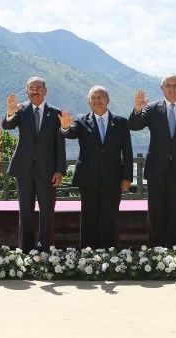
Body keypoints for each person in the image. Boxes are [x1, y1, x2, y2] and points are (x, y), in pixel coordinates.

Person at [128, 74, 176, 247]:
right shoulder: (152, 108)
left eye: (175, 85)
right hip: (156, 170)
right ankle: (156, 252)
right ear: (161, 89)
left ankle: (174, 251)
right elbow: (134, 125)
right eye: (167, 85)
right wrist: (138, 110)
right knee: (156, 213)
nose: (171, 88)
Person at [59, 86, 133, 249]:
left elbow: (127, 152)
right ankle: (88, 255)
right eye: (93, 98)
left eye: (100, 97)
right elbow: (70, 132)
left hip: (113, 178)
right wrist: (64, 127)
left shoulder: (121, 122)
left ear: (108, 100)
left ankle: (111, 253)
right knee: (89, 217)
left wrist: (127, 177)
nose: (97, 100)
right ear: (89, 102)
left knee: (110, 217)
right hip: (88, 179)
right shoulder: (81, 120)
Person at [2, 76, 66, 252]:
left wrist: (60, 171)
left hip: (47, 171)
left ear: (45, 91)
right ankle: (26, 249)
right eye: (31, 88)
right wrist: (9, 112)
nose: (35, 91)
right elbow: (7, 126)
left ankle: (44, 249)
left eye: (38, 87)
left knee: (47, 213)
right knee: (25, 212)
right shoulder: (21, 111)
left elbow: (60, 144)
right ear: (27, 91)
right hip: (24, 170)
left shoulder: (56, 113)